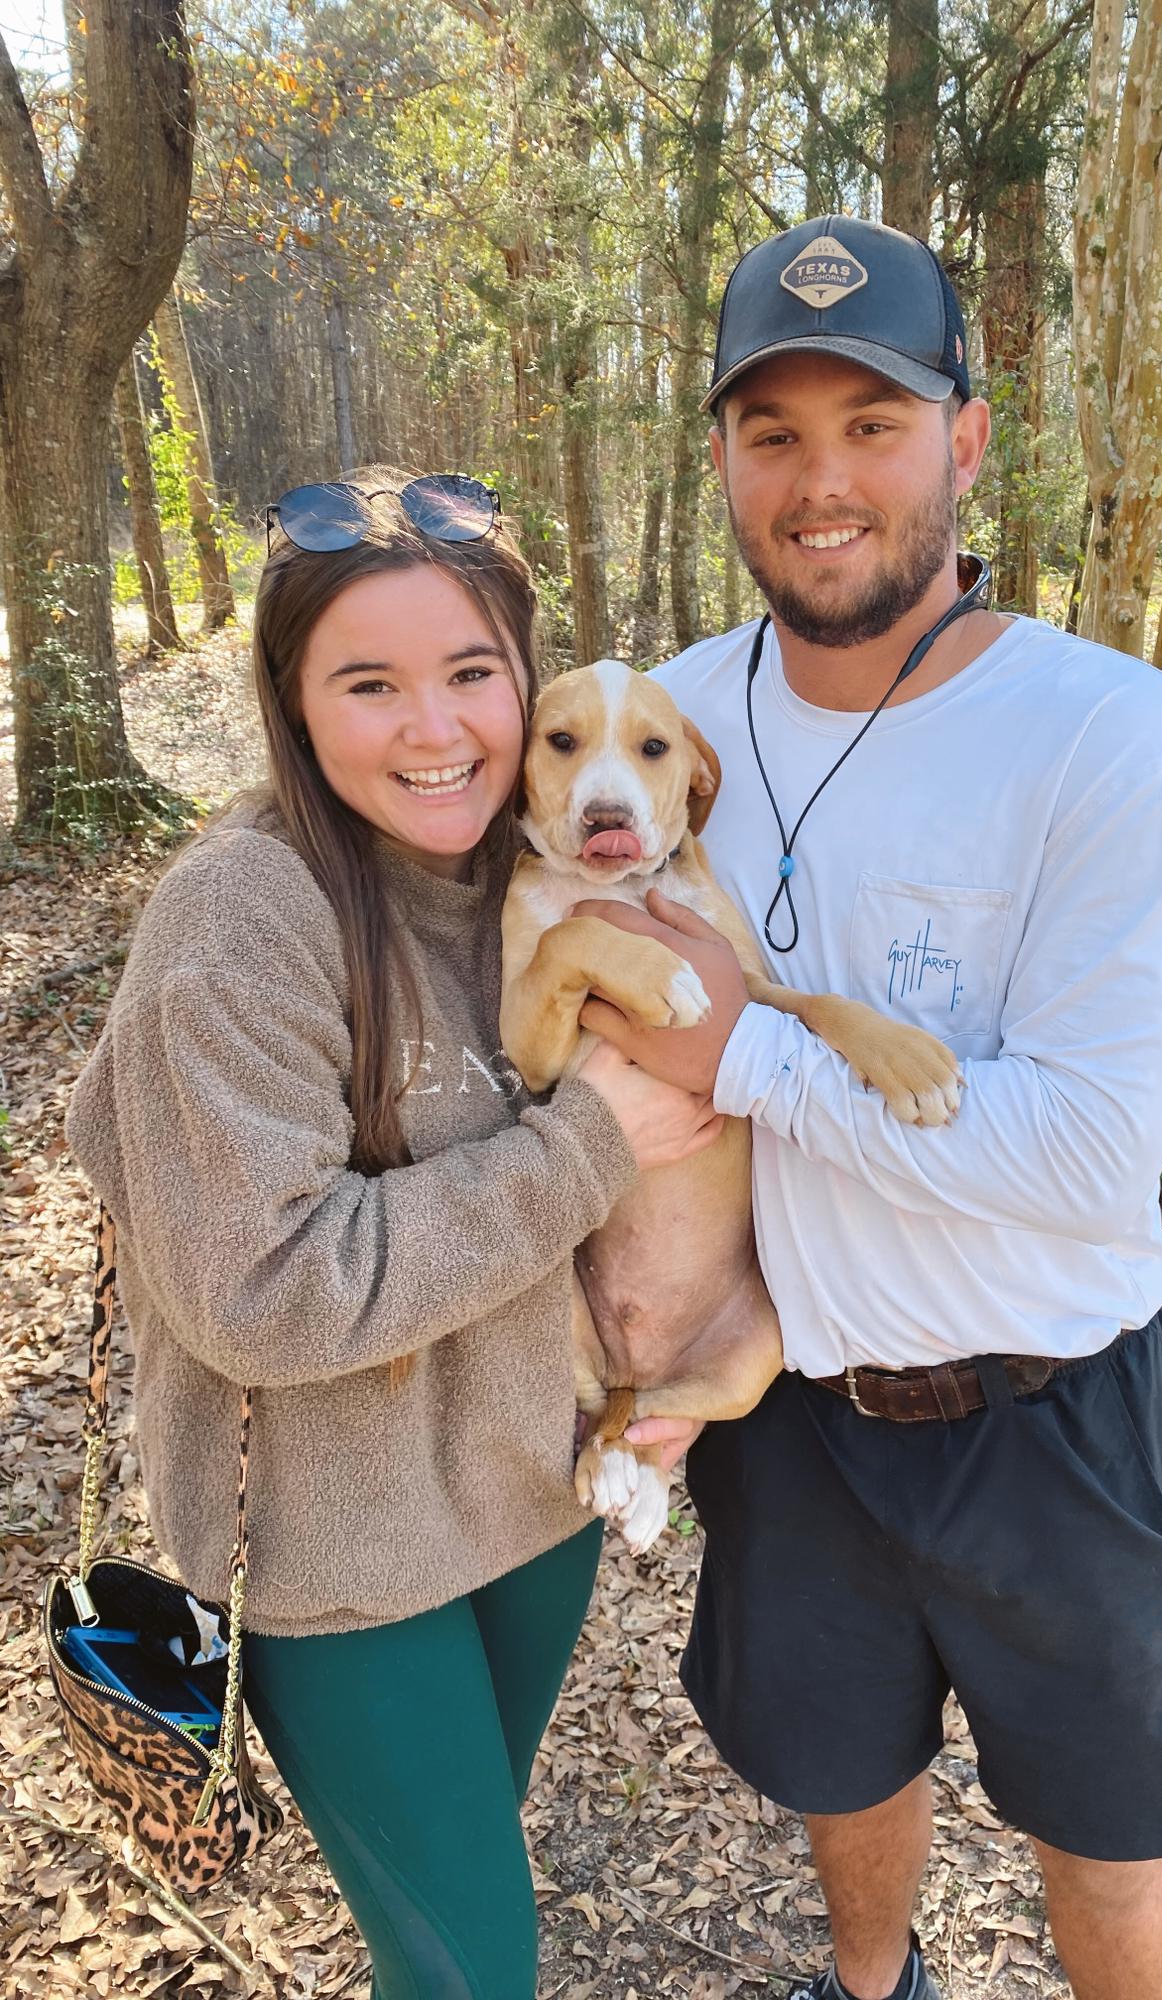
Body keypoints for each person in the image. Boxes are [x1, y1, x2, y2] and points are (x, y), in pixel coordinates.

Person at [575, 219, 1162, 2000]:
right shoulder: (664, 723)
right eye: (775, 432)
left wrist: (739, 1057)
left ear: (966, 442)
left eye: (873, 423)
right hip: (795, 1410)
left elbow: (1085, 1156)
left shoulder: (1108, 736)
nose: (822, 481)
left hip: (1057, 1416)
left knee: (1114, 1836)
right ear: (727, 462)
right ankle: (872, 1984)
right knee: (845, 1776)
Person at [64, 470, 722, 2000]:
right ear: (294, 706)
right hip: (342, 1554)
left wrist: (656, 1375)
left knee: (470, 1860)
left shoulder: (542, 872)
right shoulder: (239, 919)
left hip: (530, 1501)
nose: (437, 732)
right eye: (371, 684)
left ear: (528, 684)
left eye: (472, 675)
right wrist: (585, 1147)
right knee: (470, 1964)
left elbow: (681, 1156)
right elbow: (262, 1291)